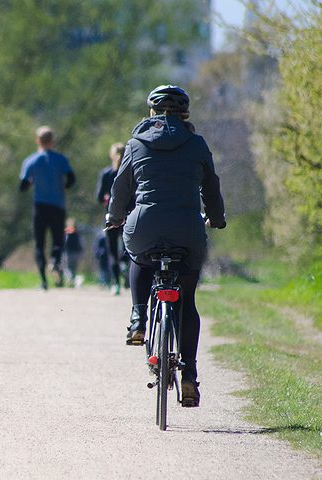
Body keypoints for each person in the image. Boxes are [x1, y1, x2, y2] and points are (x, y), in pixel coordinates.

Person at [106, 85, 226, 407]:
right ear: (185, 114)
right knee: (187, 302)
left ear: (151, 113)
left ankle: (138, 318)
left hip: (145, 226)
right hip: (187, 230)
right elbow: (211, 189)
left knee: (138, 256)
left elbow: (120, 189)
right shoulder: (197, 144)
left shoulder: (135, 144)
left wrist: (114, 218)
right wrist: (216, 217)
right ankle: (189, 375)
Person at [19, 126, 76, 290]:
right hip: (58, 205)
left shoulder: (31, 161)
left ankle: (44, 281)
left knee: (39, 243)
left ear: (38, 141)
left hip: (40, 206)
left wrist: (32, 181)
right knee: (58, 239)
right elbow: (72, 179)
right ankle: (55, 260)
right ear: (53, 141)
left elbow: (22, 186)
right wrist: (62, 186)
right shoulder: (61, 159)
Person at [95, 142, 126, 295]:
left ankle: (116, 283)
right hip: (128, 214)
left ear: (111, 155)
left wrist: (108, 199)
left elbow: (99, 197)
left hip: (111, 216)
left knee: (112, 251)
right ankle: (125, 265)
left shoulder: (106, 174)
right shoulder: (130, 172)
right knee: (129, 246)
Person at [62, 218, 83, 287]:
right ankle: (73, 282)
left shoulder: (67, 232)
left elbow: (65, 243)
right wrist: (80, 251)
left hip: (69, 253)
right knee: (73, 269)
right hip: (76, 253)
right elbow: (79, 243)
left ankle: (71, 280)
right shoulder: (77, 232)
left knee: (67, 268)